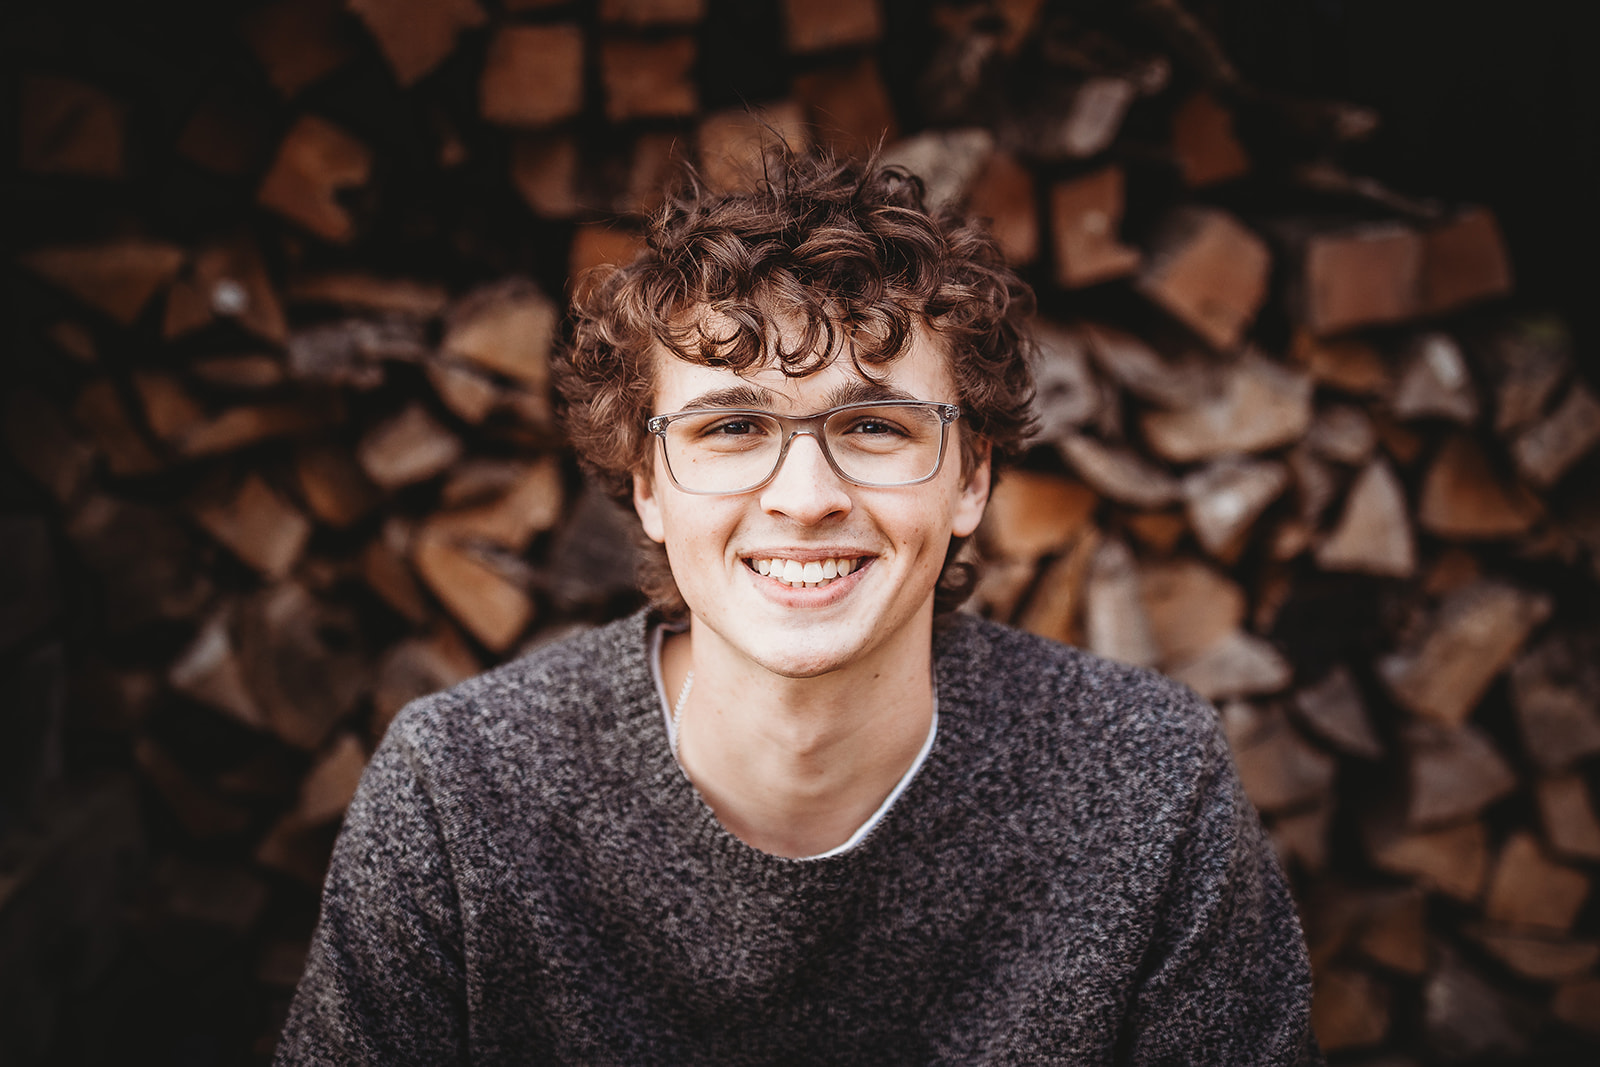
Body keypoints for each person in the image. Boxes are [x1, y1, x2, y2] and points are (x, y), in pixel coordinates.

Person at [275, 151, 1320, 1064]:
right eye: (732, 427)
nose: (806, 497)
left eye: (872, 424)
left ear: (969, 478)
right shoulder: (460, 796)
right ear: (647, 481)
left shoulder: (1144, 780)